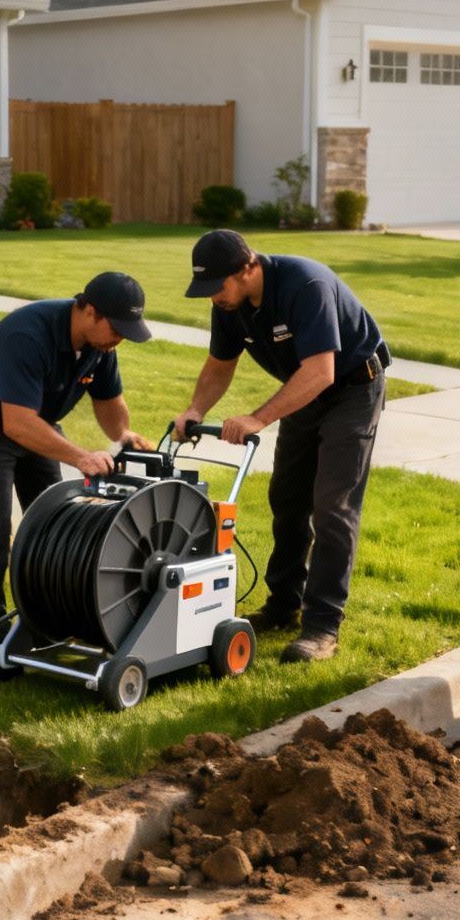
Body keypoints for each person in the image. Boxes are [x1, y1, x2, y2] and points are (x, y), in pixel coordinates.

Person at [174, 229, 389, 664]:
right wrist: (194, 409)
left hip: (351, 389)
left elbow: (322, 370)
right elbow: (220, 364)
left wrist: (258, 418)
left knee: (333, 505)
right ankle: (283, 605)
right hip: (303, 392)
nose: (213, 297)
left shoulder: (304, 286)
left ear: (248, 267)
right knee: (287, 498)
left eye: (218, 286)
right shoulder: (229, 304)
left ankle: (322, 626)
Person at [0, 272, 154, 654]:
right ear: (89, 311)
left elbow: (109, 403)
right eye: (117, 328)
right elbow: (16, 422)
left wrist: (123, 435)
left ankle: (48, 616)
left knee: (53, 527)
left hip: (38, 424)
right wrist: (80, 456)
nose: (121, 338)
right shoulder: (29, 334)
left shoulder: (102, 347)